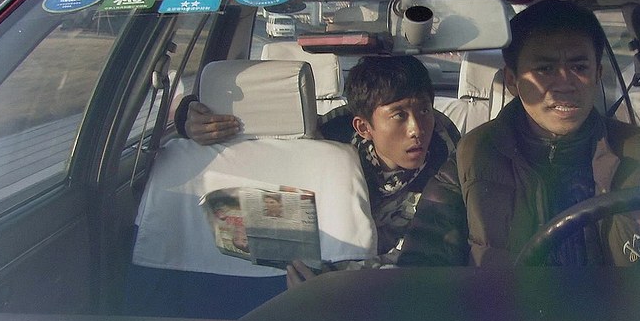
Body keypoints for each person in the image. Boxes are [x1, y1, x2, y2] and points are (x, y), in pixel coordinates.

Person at [399, 0, 640, 267]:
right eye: (544, 69)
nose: (564, 84)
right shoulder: (471, 157)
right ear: (512, 81)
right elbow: (421, 269)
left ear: (597, 74)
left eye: (579, 67)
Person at [175, 55, 460, 279]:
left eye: (424, 110)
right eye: (399, 115)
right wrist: (191, 120)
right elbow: (261, 148)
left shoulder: (446, 158)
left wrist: (330, 282)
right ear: (364, 128)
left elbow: (425, 251)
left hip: (383, 280)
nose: (417, 129)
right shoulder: (331, 137)